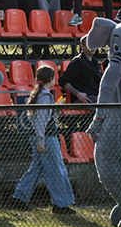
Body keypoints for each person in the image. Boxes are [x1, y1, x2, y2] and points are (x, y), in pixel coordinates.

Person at [9, 65, 76, 214]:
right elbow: (40, 120)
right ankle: (60, 205)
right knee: (56, 169)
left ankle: (19, 197)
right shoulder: (45, 96)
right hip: (47, 137)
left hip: (41, 136)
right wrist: (41, 140)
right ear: (51, 79)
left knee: (36, 168)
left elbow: (42, 118)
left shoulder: (40, 95)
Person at [59, 36, 103, 103]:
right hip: (83, 99)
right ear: (82, 46)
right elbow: (63, 81)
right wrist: (78, 94)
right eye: (89, 45)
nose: (93, 47)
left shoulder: (97, 64)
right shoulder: (77, 62)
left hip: (96, 98)